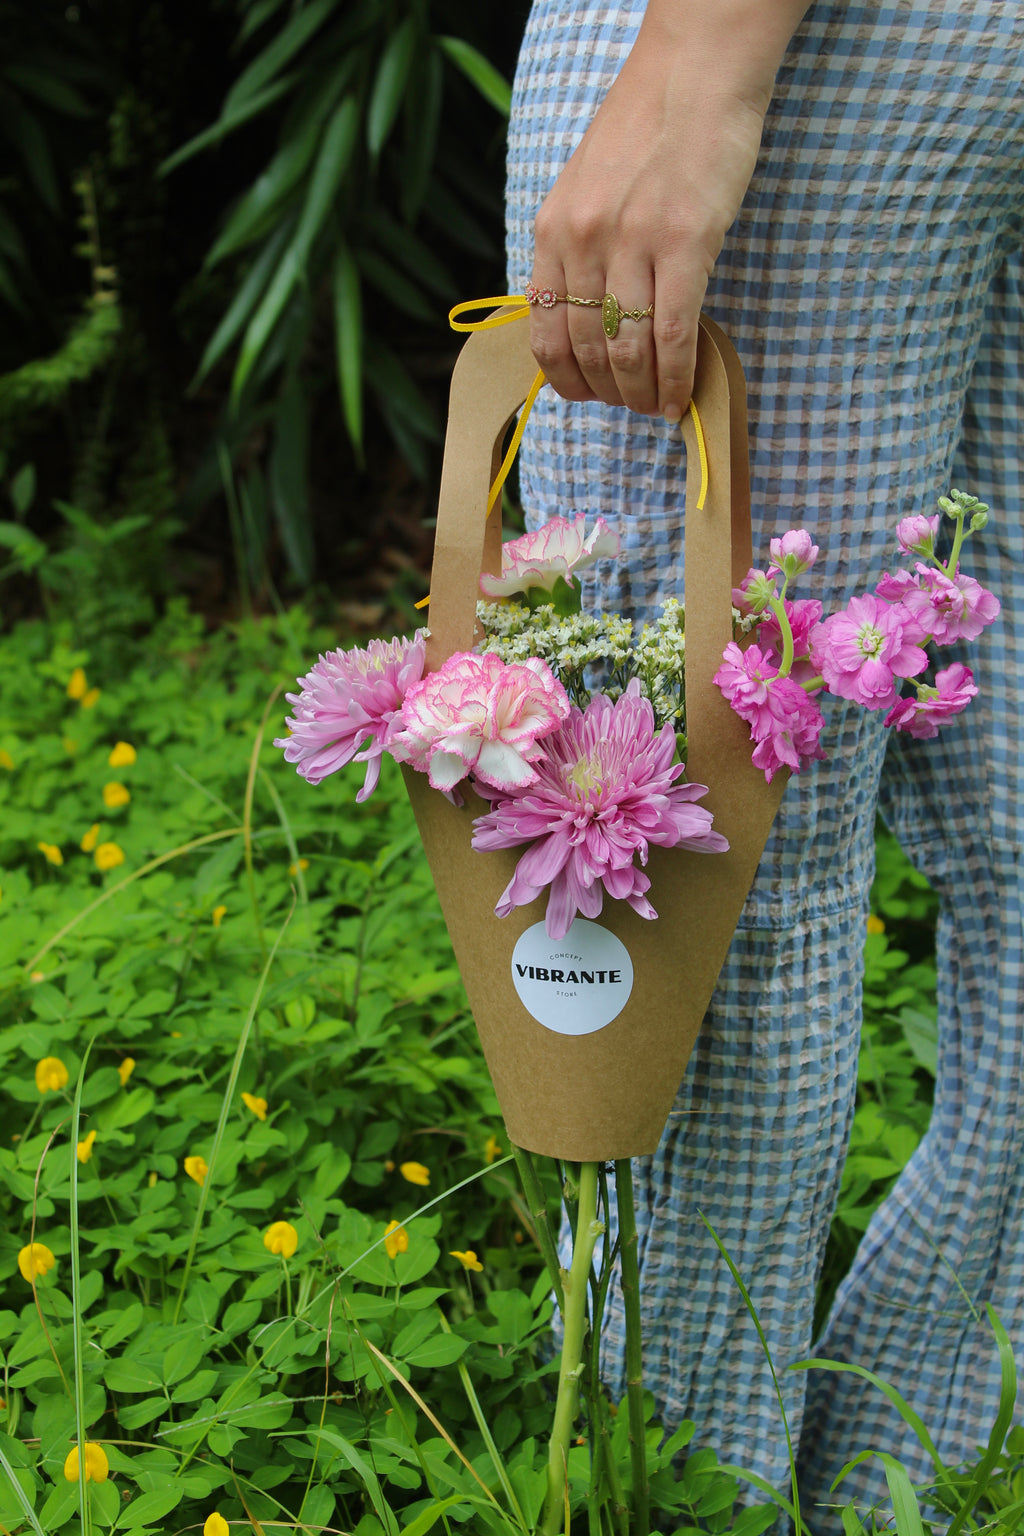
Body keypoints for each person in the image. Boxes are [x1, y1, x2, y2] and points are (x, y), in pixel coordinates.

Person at [505, 0, 1024, 1526]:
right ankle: (855, 1463)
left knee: (708, 842)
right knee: (744, 813)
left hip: (815, 43)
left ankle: (734, 1484)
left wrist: (699, 60)